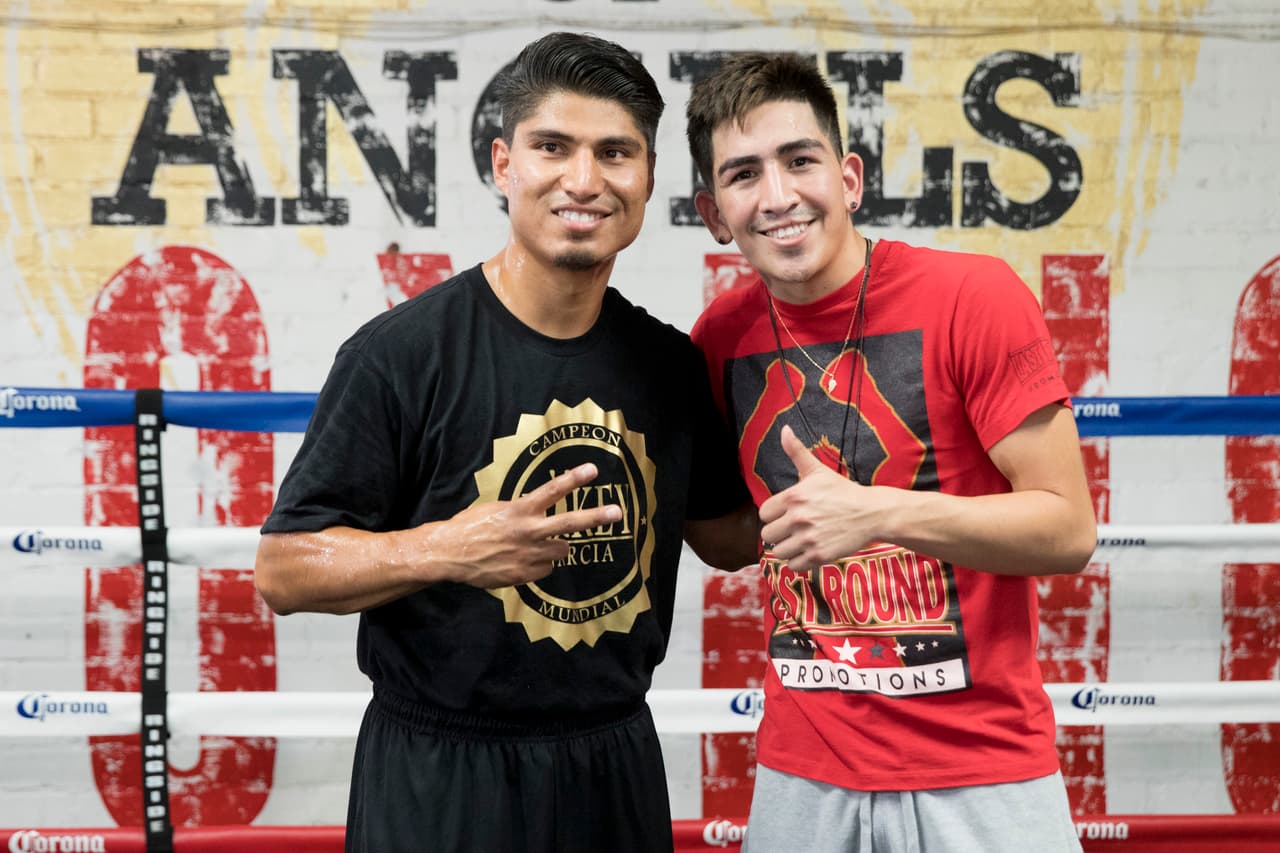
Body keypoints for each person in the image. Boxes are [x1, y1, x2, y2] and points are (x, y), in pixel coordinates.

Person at [254, 32, 758, 853]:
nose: (584, 180)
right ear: (503, 164)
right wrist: (448, 547)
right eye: (552, 147)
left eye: (614, 152)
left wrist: (877, 481)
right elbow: (284, 568)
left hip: (613, 761)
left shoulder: (670, 365)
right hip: (441, 771)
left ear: (648, 179)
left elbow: (727, 535)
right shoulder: (400, 355)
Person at [685, 53, 1097, 852]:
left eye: (799, 160)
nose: (777, 196)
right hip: (802, 771)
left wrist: (874, 512)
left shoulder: (973, 297)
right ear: (713, 211)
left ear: (849, 178)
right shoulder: (719, 340)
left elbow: (1067, 528)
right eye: (743, 174)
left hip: (982, 768)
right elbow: (726, 536)